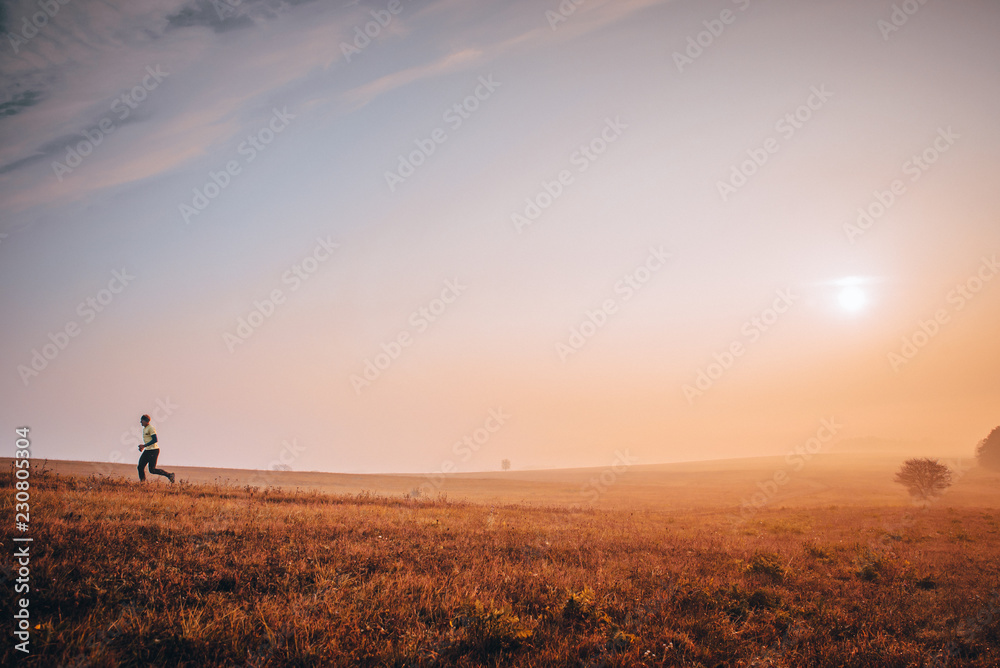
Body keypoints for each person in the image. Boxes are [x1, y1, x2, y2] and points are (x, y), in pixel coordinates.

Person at [137, 414, 175, 483]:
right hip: (147, 450)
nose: (140, 422)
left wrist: (144, 446)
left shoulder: (150, 428)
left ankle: (169, 475)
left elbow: (155, 439)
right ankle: (143, 483)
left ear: (146, 421)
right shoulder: (145, 428)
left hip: (153, 451)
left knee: (152, 470)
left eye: (142, 420)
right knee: (140, 467)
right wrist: (143, 447)